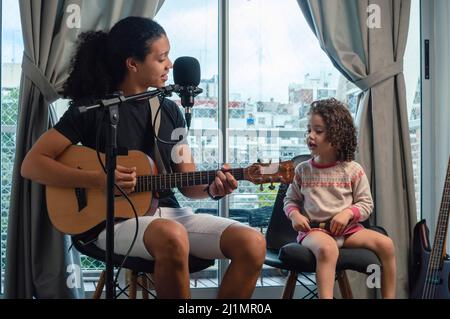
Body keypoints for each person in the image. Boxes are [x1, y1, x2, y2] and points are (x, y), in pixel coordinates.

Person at [20, 16, 266, 299]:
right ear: (133, 64)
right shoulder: (91, 109)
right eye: (161, 58)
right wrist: (98, 180)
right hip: (109, 222)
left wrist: (213, 188)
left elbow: (189, 182)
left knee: (252, 242)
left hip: (167, 214)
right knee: (172, 235)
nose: (170, 65)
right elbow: (33, 164)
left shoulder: (170, 112)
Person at [283, 98, 396, 299]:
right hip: (314, 231)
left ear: (337, 135)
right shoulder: (303, 170)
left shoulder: (353, 170)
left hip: (348, 231)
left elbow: (366, 204)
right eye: (309, 130)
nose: (310, 136)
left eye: (318, 131)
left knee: (386, 244)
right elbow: (290, 200)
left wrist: (348, 213)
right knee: (327, 249)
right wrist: (294, 216)